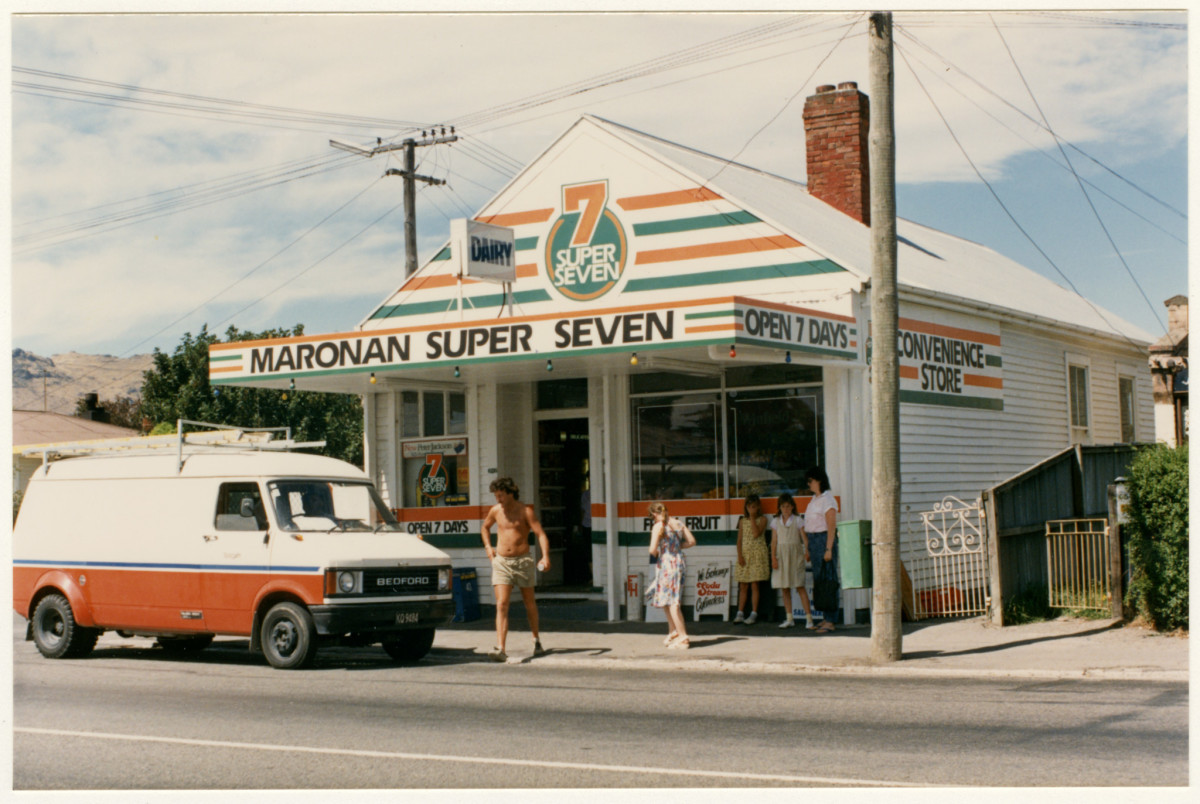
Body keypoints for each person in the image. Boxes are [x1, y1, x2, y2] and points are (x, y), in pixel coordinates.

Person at [481, 477, 551, 662]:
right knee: (502, 604)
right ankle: (501, 648)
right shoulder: (495, 511)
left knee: (529, 603)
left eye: (501, 495)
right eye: (496, 496)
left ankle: (536, 640)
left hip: (523, 561)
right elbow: (485, 528)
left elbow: (540, 534)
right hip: (502, 562)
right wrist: (489, 547)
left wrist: (545, 556)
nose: (498, 499)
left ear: (511, 493)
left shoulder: (525, 511)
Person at [645, 501, 696, 649]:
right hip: (679, 561)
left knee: (672, 602)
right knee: (668, 600)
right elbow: (692, 541)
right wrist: (677, 546)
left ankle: (683, 637)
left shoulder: (658, 526)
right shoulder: (678, 523)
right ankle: (673, 631)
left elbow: (652, 550)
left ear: (654, 514)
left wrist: (662, 550)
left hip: (666, 563)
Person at [770, 492, 815, 629]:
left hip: (795, 555)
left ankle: (809, 619)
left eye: (788, 506)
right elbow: (774, 541)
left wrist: (807, 551)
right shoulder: (775, 521)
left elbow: (804, 538)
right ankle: (789, 618)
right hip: (781, 555)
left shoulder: (798, 520)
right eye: (783, 507)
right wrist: (773, 558)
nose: (786, 509)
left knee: (799, 585)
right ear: (779, 508)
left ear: (792, 507)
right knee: (785, 587)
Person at [804, 466, 839, 633]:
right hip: (813, 540)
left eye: (810, 480)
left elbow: (831, 526)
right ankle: (825, 618)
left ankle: (831, 620)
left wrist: (828, 548)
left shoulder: (828, 500)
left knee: (829, 579)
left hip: (824, 539)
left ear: (819, 480)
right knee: (820, 581)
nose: (808, 484)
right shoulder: (814, 500)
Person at [732, 494, 769, 625]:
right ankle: (740, 612)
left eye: (754, 506)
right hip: (745, 554)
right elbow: (739, 540)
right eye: (749, 506)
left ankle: (754, 613)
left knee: (754, 584)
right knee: (743, 585)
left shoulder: (763, 519)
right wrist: (740, 555)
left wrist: (753, 517)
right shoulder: (742, 521)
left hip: (757, 554)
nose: (751, 509)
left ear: (758, 507)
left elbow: (755, 533)